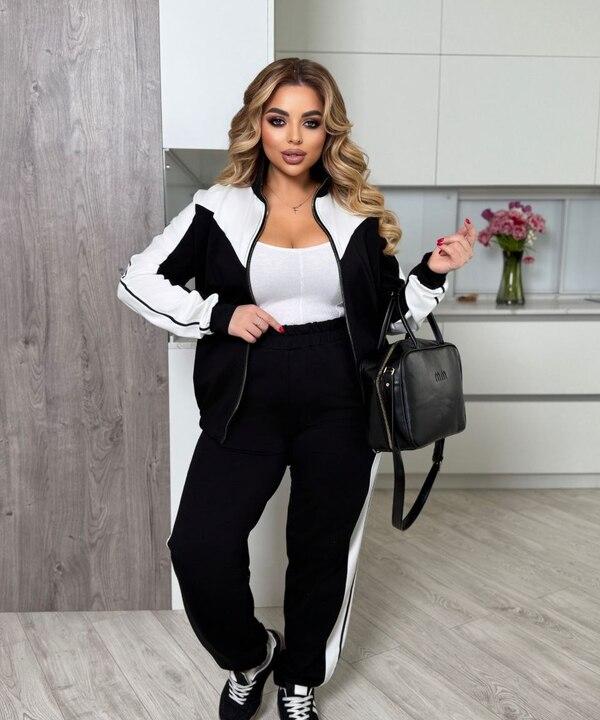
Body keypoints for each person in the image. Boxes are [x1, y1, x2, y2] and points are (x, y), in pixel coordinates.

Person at [117, 57, 475, 720]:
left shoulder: (355, 212)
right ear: (257, 123)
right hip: (246, 397)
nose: (293, 136)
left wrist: (431, 272)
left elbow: (388, 315)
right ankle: (252, 656)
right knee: (198, 548)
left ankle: (301, 679)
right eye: (278, 119)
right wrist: (217, 316)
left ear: (328, 131)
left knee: (320, 551)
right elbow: (137, 279)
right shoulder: (218, 208)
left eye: (311, 122)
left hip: (340, 396)